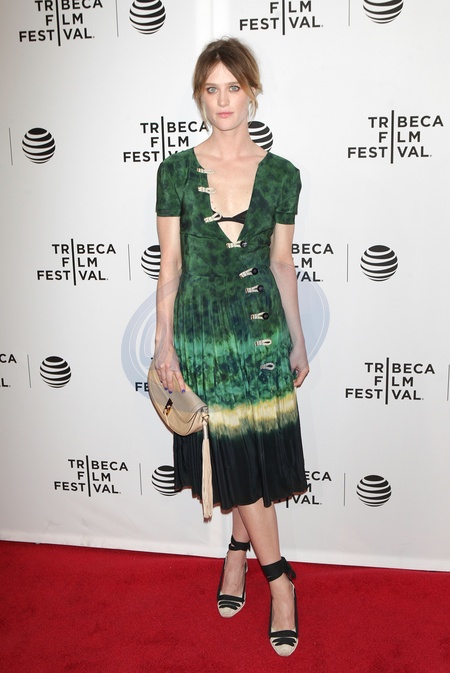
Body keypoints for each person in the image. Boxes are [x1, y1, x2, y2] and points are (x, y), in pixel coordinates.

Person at [153, 37, 309, 657]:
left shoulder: (283, 175)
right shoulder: (174, 172)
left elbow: (282, 262)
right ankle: (276, 575)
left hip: (261, 336)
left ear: (251, 92)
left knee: (251, 460)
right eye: (211, 89)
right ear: (200, 96)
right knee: (233, 457)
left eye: (233, 87)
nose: (223, 100)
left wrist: (298, 340)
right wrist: (164, 342)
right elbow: (169, 267)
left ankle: (251, 563)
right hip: (201, 337)